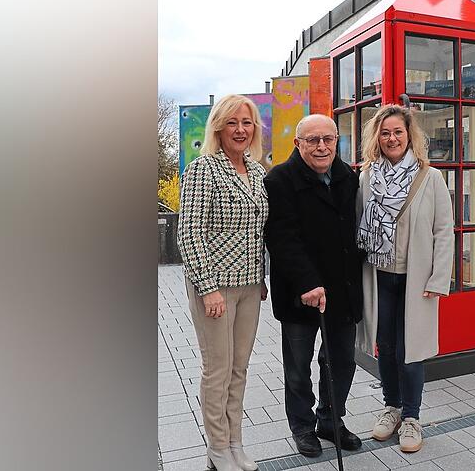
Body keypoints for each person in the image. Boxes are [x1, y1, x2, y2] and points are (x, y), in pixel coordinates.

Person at [263, 114, 365, 457]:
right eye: (313, 140)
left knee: (341, 362)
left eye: (328, 139)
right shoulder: (279, 179)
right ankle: (303, 427)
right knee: (298, 368)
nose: (322, 146)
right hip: (300, 293)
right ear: (298, 144)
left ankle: (331, 421)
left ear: (337, 141)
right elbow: (282, 238)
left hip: (343, 290)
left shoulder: (347, 176)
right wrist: (308, 282)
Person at [355, 104, 455, 453]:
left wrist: (438, 278)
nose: (392, 138)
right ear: (377, 138)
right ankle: (391, 408)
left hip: (416, 279)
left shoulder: (430, 177)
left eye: (398, 132)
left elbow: (444, 231)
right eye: (385, 133)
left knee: (410, 349)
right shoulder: (366, 177)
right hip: (379, 276)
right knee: (386, 345)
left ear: (409, 135)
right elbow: (357, 228)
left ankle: (412, 418)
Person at [177, 94, 268, 471]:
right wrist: (208, 287)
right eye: (232, 122)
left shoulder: (258, 171)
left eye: (246, 123)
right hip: (214, 287)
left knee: (239, 368)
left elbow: (262, 231)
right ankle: (217, 447)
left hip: (250, 286)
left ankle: (235, 441)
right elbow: (189, 233)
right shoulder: (203, 169)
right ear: (218, 126)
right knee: (217, 369)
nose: (240, 130)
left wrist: (262, 277)